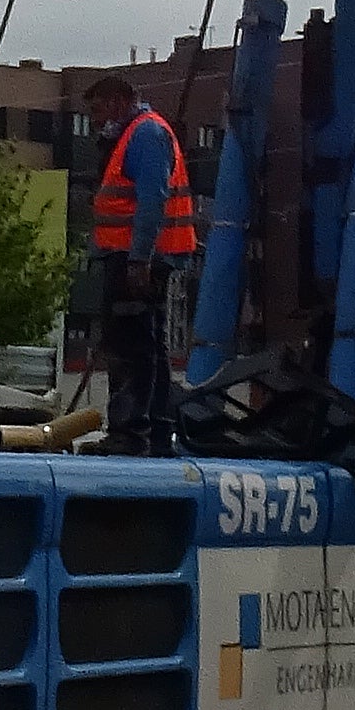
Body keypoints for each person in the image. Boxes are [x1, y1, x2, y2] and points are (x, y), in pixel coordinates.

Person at [83, 77, 202, 453]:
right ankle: (153, 433)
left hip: (137, 259)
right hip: (140, 256)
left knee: (129, 346)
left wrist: (139, 260)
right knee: (147, 346)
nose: (96, 121)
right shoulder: (140, 132)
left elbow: (153, 199)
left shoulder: (145, 134)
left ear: (118, 102)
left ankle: (129, 434)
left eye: (98, 110)